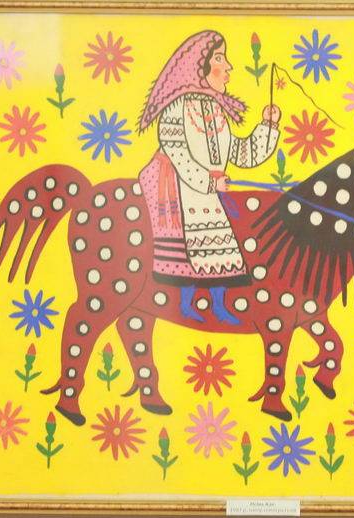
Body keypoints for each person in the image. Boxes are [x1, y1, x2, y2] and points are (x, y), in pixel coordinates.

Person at [137, 30, 281, 325]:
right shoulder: (175, 109)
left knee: (221, 248)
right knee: (195, 247)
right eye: (219, 58)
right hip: (182, 190)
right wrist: (210, 182)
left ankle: (218, 305)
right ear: (198, 66)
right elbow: (178, 155)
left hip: (209, 192)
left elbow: (240, 154)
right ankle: (186, 305)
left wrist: (268, 127)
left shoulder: (216, 109)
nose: (228, 66)